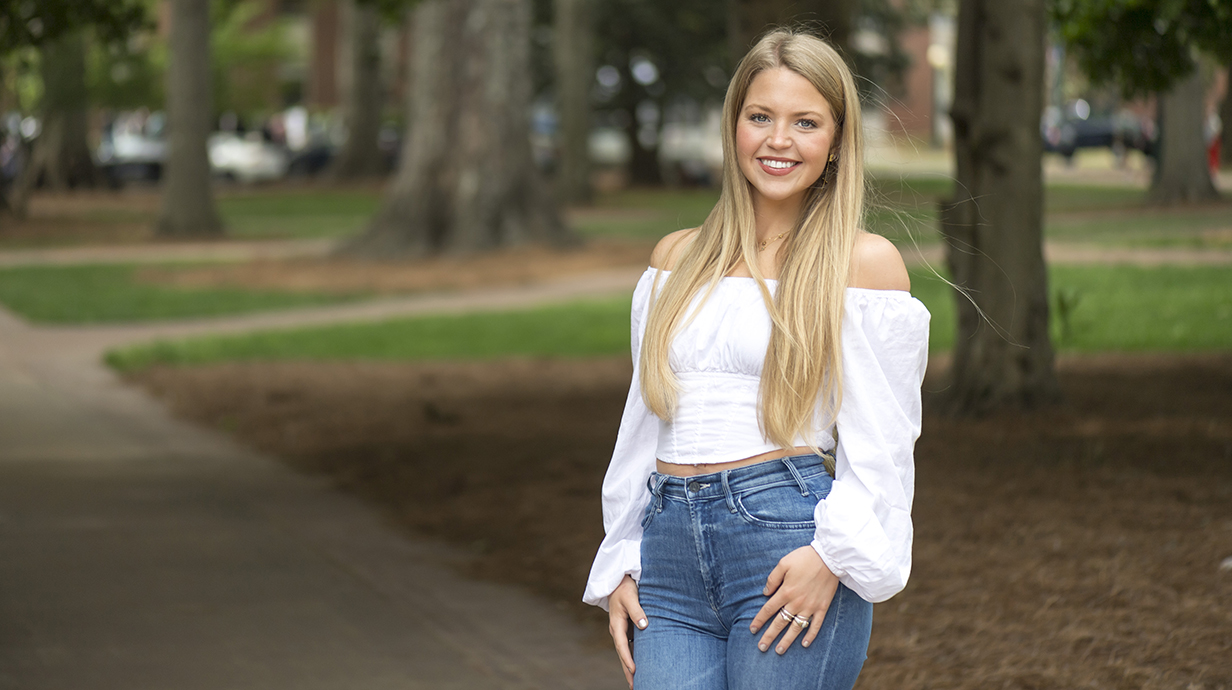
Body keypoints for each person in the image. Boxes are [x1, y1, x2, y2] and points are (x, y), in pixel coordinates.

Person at [582, 28, 931, 690]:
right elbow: (643, 422)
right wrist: (623, 555)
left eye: (806, 122)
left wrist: (832, 555)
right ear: (733, 126)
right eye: (760, 117)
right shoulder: (675, 261)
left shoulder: (863, 265)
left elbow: (884, 448)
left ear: (835, 143)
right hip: (669, 557)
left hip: (786, 544)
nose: (779, 140)